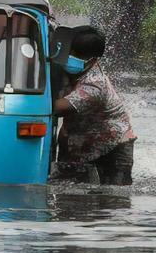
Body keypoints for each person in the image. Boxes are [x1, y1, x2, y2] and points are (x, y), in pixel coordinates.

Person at [54, 27, 137, 185]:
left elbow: (56, 107)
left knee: (113, 200)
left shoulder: (95, 85)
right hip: (77, 141)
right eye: (67, 52)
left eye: (74, 55)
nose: (68, 57)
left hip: (113, 146)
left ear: (92, 60)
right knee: (69, 200)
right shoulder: (67, 67)